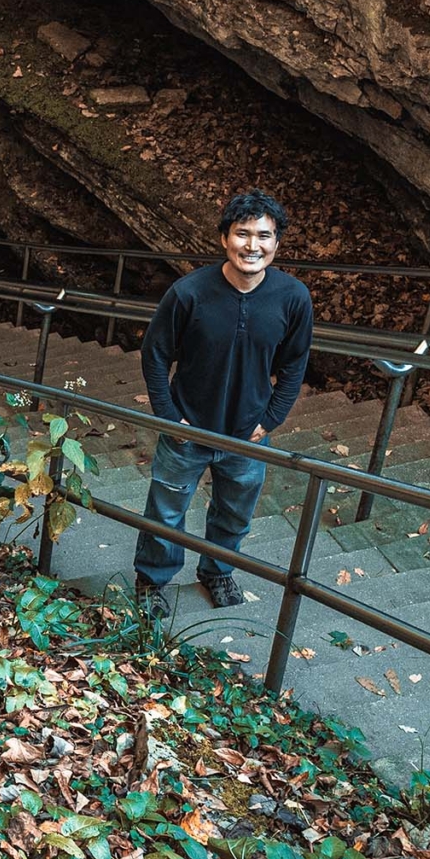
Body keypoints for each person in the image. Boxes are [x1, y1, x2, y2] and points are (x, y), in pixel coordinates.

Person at [136, 190, 314, 609]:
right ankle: (152, 581)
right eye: (242, 233)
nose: (253, 245)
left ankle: (218, 572)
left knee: (234, 514)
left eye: (264, 236)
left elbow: (294, 365)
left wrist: (269, 421)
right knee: (165, 514)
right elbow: (155, 354)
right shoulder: (188, 292)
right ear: (224, 239)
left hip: (247, 436)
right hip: (187, 429)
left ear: (276, 244)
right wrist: (168, 417)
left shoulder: (293, 298)